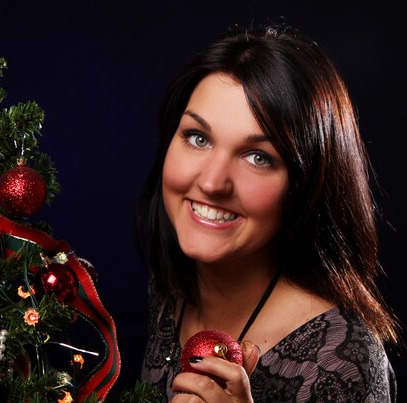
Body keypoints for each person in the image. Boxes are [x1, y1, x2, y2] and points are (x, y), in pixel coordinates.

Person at [136, 25, 399, 402]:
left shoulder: (342, 362)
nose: (212, 183)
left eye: (258, 157)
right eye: (198, 138)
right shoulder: (170, 283)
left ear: (305, 186)